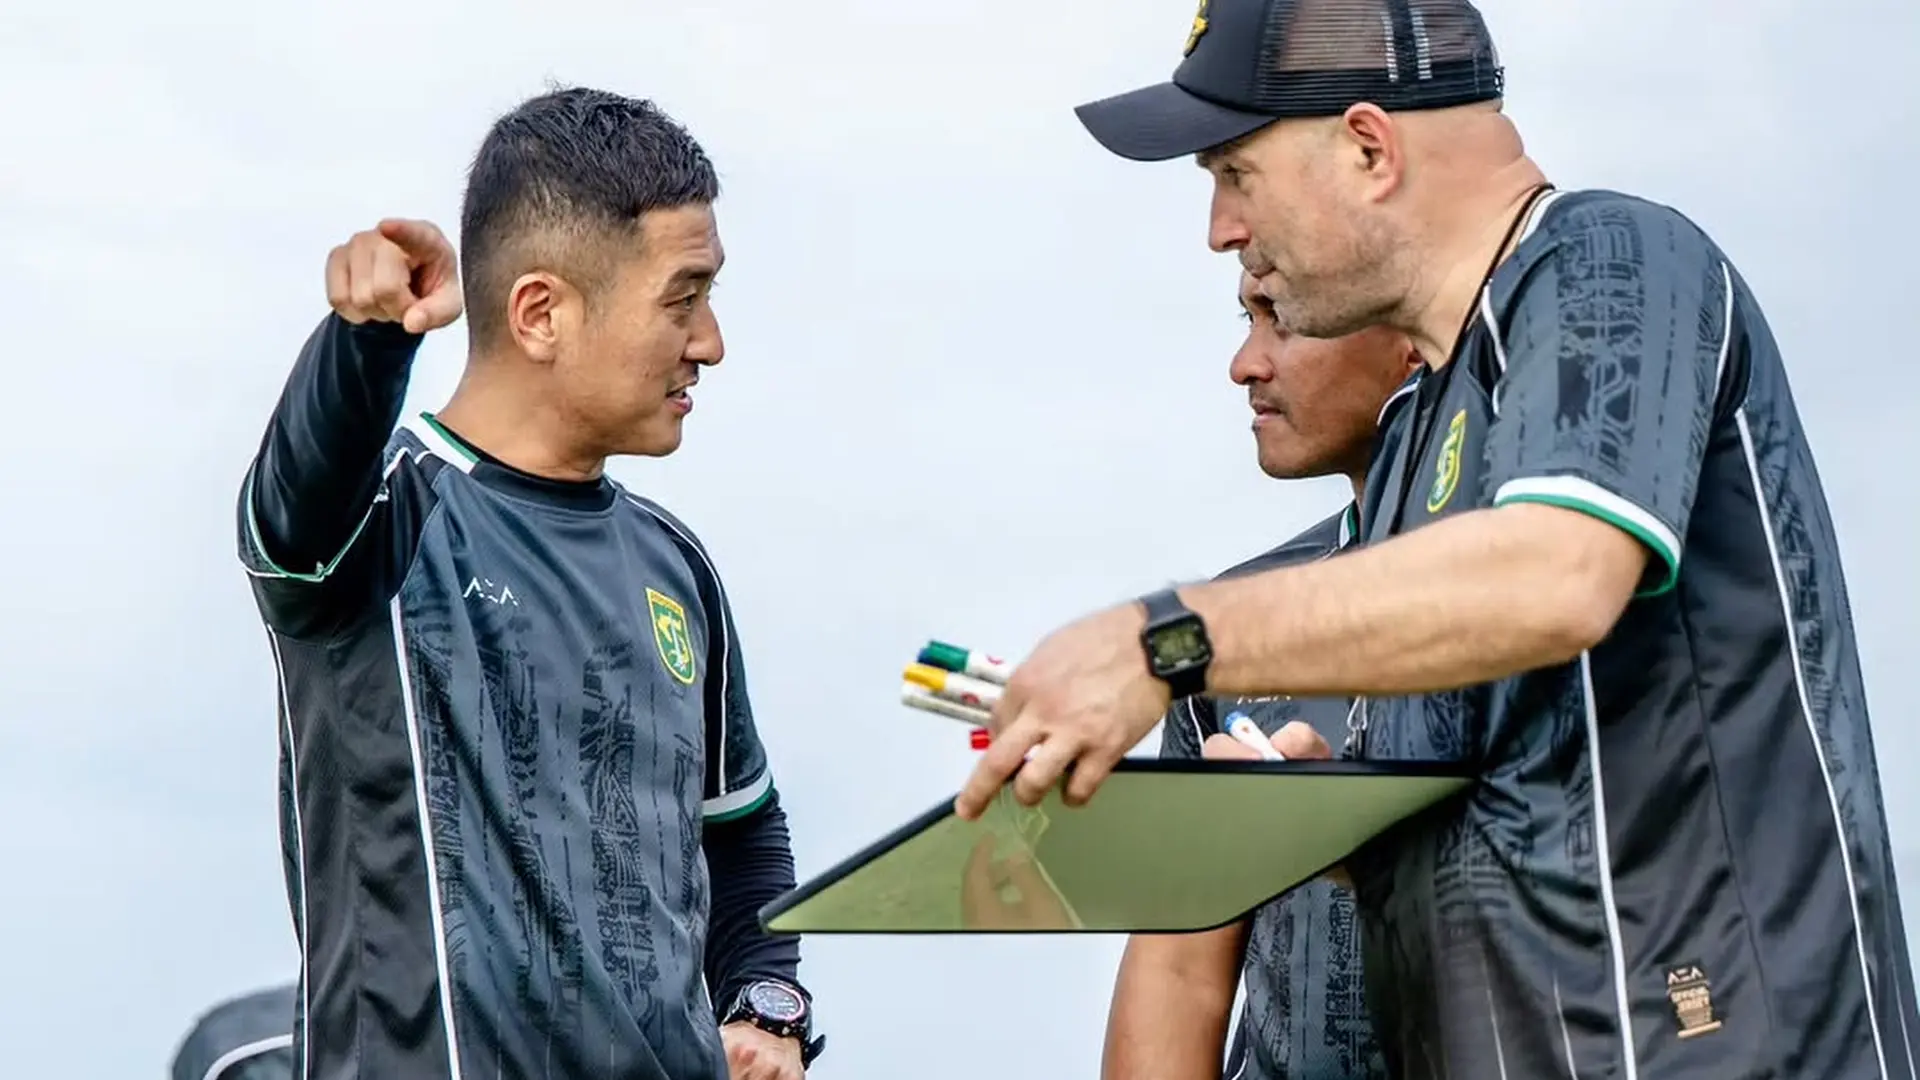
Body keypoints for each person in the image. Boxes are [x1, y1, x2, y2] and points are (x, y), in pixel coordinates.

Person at [956, 1, 1920, 1077]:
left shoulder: (1609, 257)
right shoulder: (1415, 450)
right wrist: (1326, 834)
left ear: (1369, 148)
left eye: (1233, 174)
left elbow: (1559, 575)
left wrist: (1162, 641)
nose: (1222, 230)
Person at [236, 88, 820, 1080]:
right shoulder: (378, 531)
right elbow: (295, 496)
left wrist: (768, 1008)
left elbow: (744, 831)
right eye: (683, 298)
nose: (710, 341)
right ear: (541, 313)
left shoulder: (675, 567)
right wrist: (370, 339)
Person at [1102, 271, 1417, 1080]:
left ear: (1417, 336)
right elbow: (1179, 964)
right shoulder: (1225, 627)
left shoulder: (1560, 597)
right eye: (1246, 318)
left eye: (1283, 320)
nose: (1245, 364)